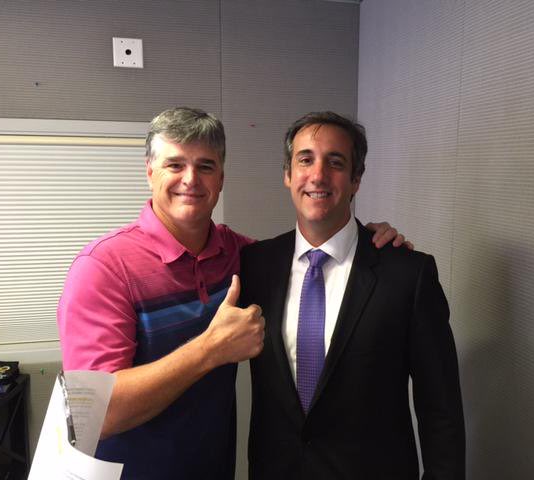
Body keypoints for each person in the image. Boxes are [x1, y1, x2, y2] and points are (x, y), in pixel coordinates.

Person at [57, 107, 409, 479]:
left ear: (221, 178)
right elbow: (93, 416)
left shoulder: (241, 256)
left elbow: (308, 257)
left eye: (205, 166)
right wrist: (209, 350)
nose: (190, 179)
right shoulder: (103, 267)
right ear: (149, 171)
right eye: (175, 165)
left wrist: (366, 244)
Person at [240, 112, 466, 479]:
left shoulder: (407, 274)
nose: (318, 175)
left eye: (335, 162)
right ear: (288, 174)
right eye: (305, 159)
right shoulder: (254, 266)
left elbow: (440, 409)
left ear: (356, 179)